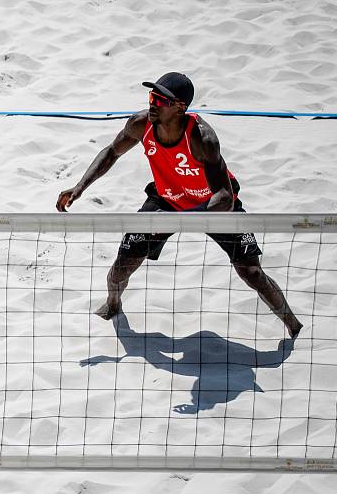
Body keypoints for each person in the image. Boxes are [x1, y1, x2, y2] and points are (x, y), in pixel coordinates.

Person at [56, 72, 302, 338]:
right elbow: (112, 151)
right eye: (151, 96)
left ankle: (294, 325)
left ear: (179, 107)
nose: (152, 103)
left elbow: (225, 197)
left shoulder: (202, 139)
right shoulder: (141, 124)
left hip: (211, 206)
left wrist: (188, 218)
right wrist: (80, 186)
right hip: (166, 199)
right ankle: (113, 303)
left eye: (160, 100)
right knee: (121, 267)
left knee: (252, 272)